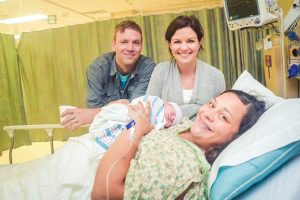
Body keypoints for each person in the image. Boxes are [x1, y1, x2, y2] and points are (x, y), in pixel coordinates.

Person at [91, 90, 266, 199]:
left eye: (224, 117)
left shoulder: (183, 168)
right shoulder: (188, 127)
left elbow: (104, 193)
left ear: (235, 138)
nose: (208, 114)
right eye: (212, 105)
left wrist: (136, 129)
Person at [61, 20, 156, 130]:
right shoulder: (97, 69)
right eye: (124, 42)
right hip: (105, 130)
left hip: (136, 128)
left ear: (141, 46)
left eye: (136, 43)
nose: (130, 48)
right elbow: (94, 112)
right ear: (114, 45)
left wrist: (102, 110)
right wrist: (104, 110)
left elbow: (137, 110)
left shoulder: (148, 67)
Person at [146, 15, 226, 119]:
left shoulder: (216, 76)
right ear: (169, 45)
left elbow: (220, 116)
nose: (184, 48)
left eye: (190, 41)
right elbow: (148, 109)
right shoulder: (160, 71)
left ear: (199, 42)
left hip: (204, 133)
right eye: (177, 42)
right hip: (164, 133)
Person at [89, 95, 183, 150]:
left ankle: (111, 133)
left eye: (173, 121)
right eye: (173, 112)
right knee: (120, 114)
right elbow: (142, 101)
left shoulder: (160, 123)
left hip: (134, 123)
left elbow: (153, 128)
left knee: (125, 130)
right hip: (131, 111)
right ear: (167, 104)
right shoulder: (156, 102)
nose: (172, 118)